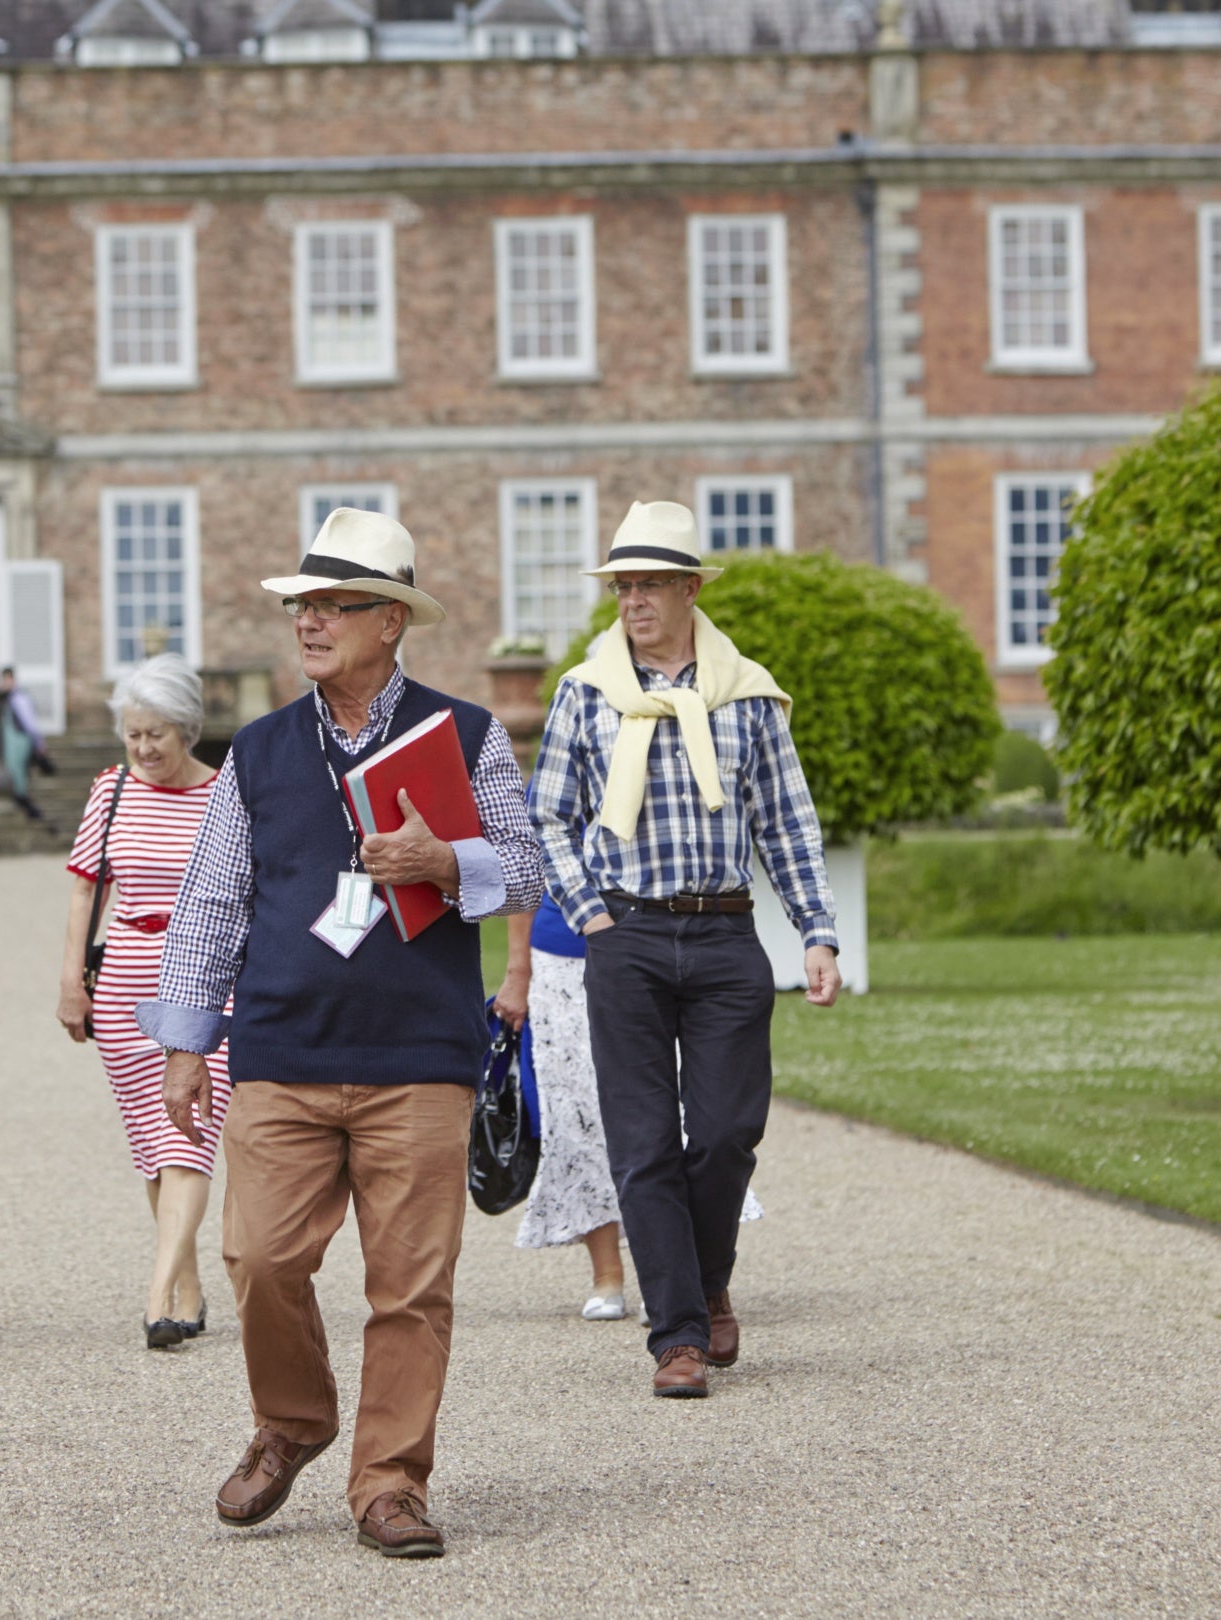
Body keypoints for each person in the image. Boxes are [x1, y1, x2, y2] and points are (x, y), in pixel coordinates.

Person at [143, 508, 544, 1559]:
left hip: (419, 1057)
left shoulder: (464, 736)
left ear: (391, 623)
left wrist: (448, 865)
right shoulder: (261, 752)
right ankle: (294, 1421)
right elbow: (212, 901)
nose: (309, 620)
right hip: (281, 1048)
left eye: (333, 605)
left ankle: (391, 1485)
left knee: (409, 1288)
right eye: (302, 605)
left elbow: (533, 865)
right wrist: (187, 1039)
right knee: (257, 1256)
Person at [529, 500, 842, 1400]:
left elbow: (788, 823)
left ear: (691, 589)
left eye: (650, 585)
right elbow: (548, 815)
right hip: (622, 933)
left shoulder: (746, 694)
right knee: (641, 1144)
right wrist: (589, 912)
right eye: (623, 585)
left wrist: (816, 932)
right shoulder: (586, 692)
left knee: (728, 1134)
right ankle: (678, 1336)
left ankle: (706, 1283)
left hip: (724, 932)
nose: (633, 601)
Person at [56, 656, 229, 1350]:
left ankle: (158, 1291)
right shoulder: (112, 791)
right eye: (133, 735)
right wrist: (72, 979)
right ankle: (187, 1288)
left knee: (190, 1131)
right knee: (154, 1145)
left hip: (205, 977)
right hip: (125, 974)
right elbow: (84, 889)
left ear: (186, 728)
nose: (144, 749)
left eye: (156, 734)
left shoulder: (225, 796)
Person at [502, 893, 764, 1323]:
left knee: (675, 1119)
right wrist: (518, 972)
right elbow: (527, 874)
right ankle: (606, 1275)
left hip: (658, 948)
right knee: (580, 1118)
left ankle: (680, 1279)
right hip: (562, 956)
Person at [0, 665, 52, 826]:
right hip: (12, 742)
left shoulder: (19, 698)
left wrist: (40, 744)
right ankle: (24, 803)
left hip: (20, 741)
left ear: (11, 679)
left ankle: (28, 805)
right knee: (15, 773)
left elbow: (30, 723)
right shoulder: (7, 699)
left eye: (5, 680)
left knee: (18, 773)